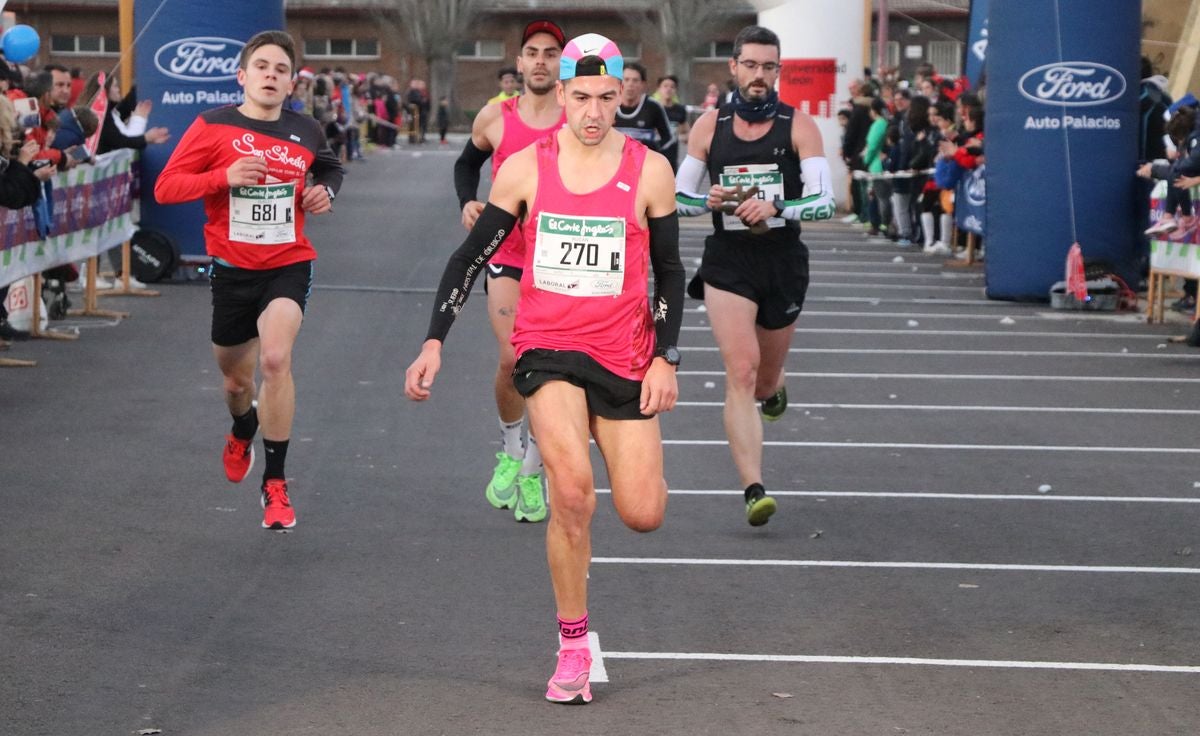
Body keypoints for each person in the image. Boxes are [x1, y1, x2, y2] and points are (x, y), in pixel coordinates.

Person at [407, 32, 683, 705]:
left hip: (623, 353)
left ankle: (584, 437)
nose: (593, 110)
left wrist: (665, 358)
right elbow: (469, 256)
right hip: (547, 347)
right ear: (560, 94)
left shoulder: (650, 170)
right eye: (580, 96)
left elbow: (671, 270)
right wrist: (434, 340)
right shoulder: (526, 168)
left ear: (624, 95)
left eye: (606, 97)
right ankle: (571, 644)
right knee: (572, 495)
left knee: (645, 513)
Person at [154, 30, 344, 530]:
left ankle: (276, 484)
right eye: (262, 66)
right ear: (243, 76)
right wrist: (224, 177)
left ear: (291, 83)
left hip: (288, 261)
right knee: (237, 380)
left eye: (281, 69)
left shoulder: (306, 129)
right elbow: (167, 186)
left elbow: (328, 168)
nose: (270, 75)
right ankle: (243, 426)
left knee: (276, 359)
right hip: (232, 271)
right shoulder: (212, 126)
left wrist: (324, 192)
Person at [674, 25, 835, 526]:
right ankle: (753, 488)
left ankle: (775, 384)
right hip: (728, 260)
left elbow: (826, 202)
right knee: (740, 372)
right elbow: (677, 200)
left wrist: (779, 204)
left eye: (769, 67)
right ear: (734, 67)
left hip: (782, 260)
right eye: (751, 65)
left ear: (778, 71)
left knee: (763, 381)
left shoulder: (799, 126)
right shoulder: (708, 126)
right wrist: (709, 201)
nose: (759, 75)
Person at [452, 19, 567, 523]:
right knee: (510, 357)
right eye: (532, 52)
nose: (540, 60)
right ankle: (510, 447)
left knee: (552, 366)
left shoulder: (577, 115)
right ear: (519, 63)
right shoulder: (494, 117)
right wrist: (467, 203)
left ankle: (535, 470)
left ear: (560, 63)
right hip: (509, 248)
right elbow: (465, 164)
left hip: (560, 256)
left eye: (550, 52)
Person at [615, 62, 673, 155]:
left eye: (635, 80)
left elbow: (668, 138)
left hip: (643, 164)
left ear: (643, 84)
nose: (630, 84)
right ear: (620, 82)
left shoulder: (653, 106)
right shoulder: (609, 104)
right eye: (626, 79)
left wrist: (651, 150)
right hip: (613, 163)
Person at [651, 75, 689, 172]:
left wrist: (680, 136)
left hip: (671, 158)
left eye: (672, 87)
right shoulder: (652, 108)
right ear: (659, 89)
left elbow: (686, 134)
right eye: (665, 86)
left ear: (676, 90)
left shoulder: (680, 110)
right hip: (652, 155)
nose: (668, 89)